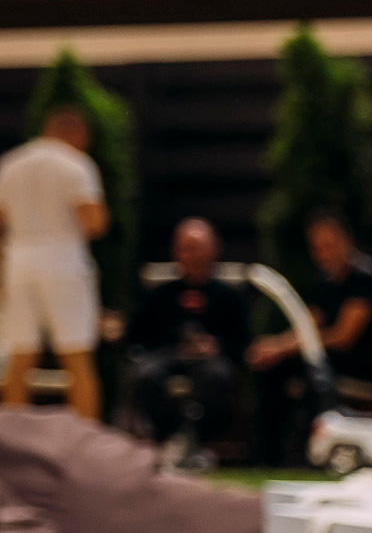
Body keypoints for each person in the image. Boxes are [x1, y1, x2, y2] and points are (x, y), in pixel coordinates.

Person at [248, 212, 372, 462]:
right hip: (334, 360)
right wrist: (274, 346)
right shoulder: (325, 281)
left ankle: (310, 453)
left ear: (347, 241)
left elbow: (343, 337)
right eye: (317, 248)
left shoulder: (365, 278)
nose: (323, 254)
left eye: (330, 245)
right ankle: (268, 454)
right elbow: (308, 325)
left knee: (306, 370)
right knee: (273, 367)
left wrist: (283, 350)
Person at [0, 106, 109, 420]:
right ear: (75, 133)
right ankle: (84, 443)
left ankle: (14, 448)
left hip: (18, 262)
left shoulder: (11, 163)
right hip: (63, 262)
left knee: (19, 358)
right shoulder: (75, 164)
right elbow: (94, 223)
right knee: (77, 358)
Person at [127, 218, 249, 467]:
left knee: (220, 376)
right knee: (144, 375)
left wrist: (216, 347)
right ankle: (169, 437)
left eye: (197, 247)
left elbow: (243, 343)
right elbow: (136, 337)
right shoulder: (159, 294)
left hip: (212, 362)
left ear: (214, 249)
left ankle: (198, 442)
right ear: (175, 252)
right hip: (167, 357)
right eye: (185, 247)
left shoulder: (230, 296)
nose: (191, 255)